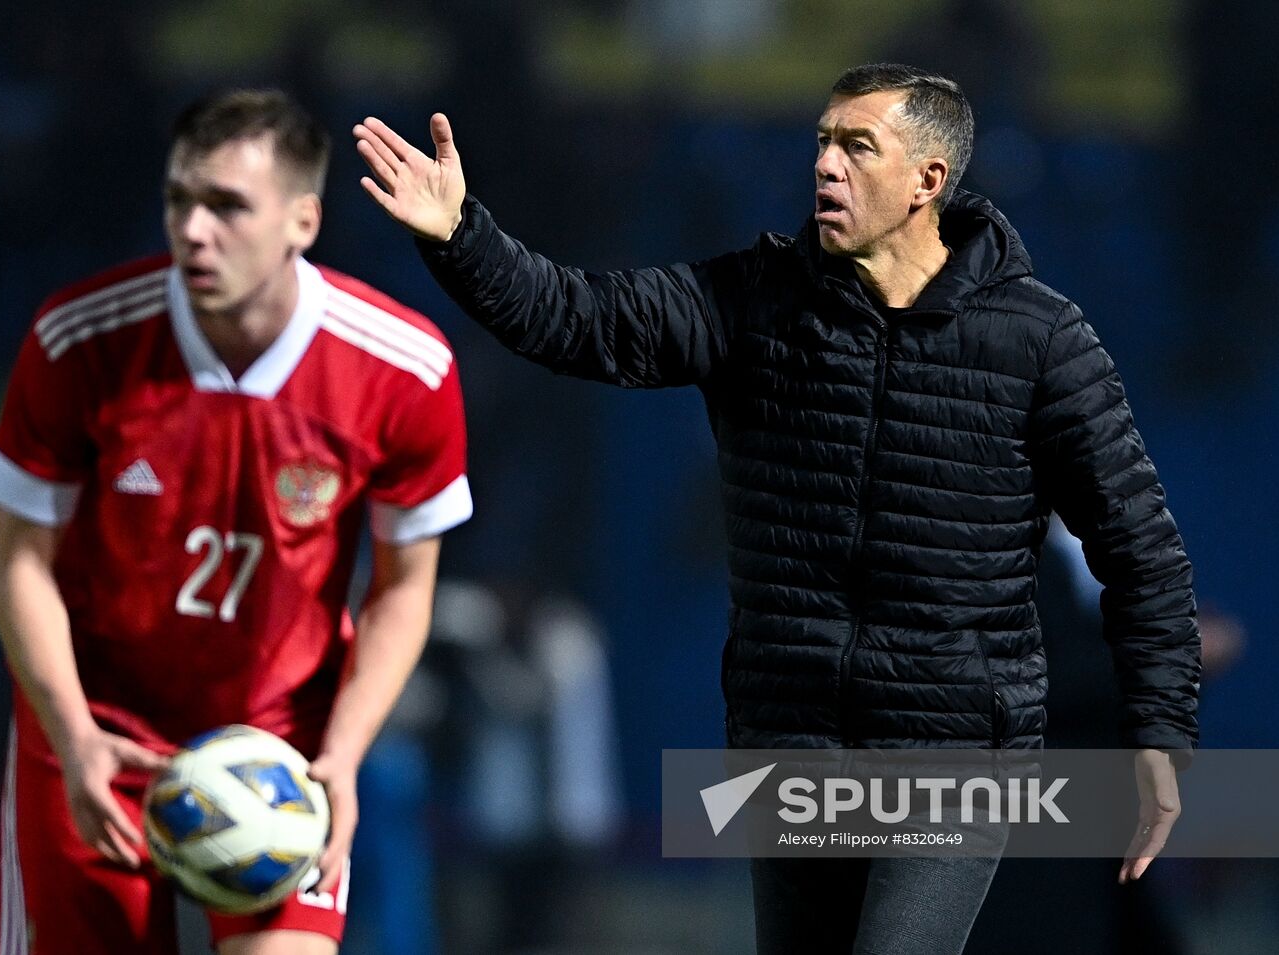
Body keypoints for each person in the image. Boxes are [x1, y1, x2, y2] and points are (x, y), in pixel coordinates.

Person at [353, 62, 1200, 954]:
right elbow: (578, 319)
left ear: (929, 182)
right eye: (823, 142)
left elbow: (1139, 546)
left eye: (857, 147)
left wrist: (1159, 728)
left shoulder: (1041, 338)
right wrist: (458, 235)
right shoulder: (751, 300)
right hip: (792, 745)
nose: (826, 165)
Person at [0, 88, 472, 954]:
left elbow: (404, 588)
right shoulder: (78, 340)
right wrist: (72, 736)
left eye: (227, 206)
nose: (194, 230)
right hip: (98, 735)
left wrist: (347, 753)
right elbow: (19, 566)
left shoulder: (405, 370)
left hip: (283, 751)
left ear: (302, 221)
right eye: (180, 200)